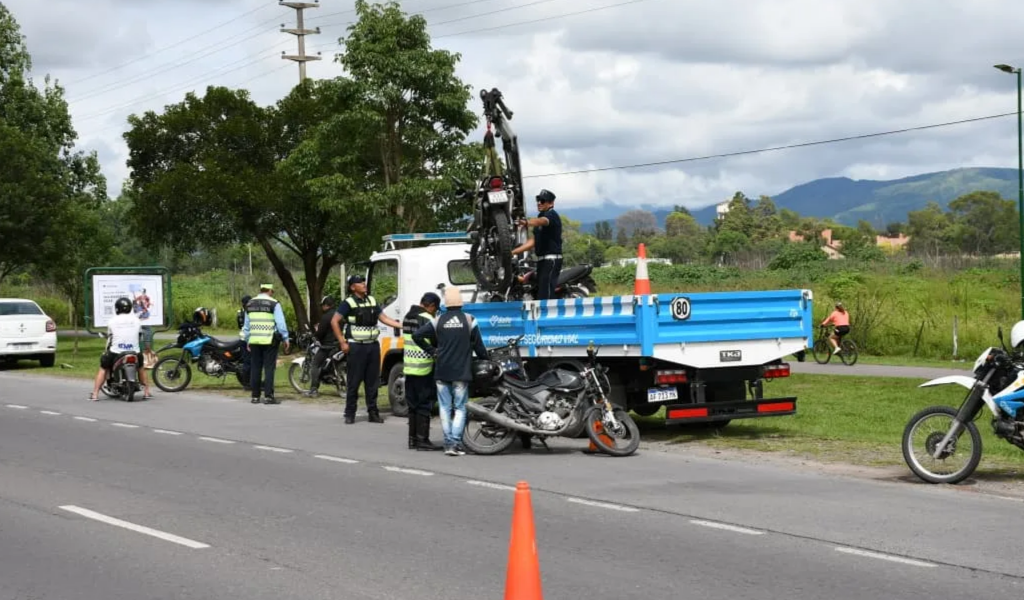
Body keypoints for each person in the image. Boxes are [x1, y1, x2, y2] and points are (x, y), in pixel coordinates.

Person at [412, 287, 489, 456]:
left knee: (445, 408)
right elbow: (479, 347)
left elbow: (416, 335)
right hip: (461, 371)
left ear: (446, 304)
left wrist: (432, 351)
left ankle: (448, 444)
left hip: (442, 370)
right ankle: (455, 443)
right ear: (461, 303)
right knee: (460, 408)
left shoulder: (438, 320)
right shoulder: (470, 320)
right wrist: (487, 359)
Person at [331, 274, 403, 424]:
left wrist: (402, 326)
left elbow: (384, 318)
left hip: (372, 345)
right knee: (354, 381)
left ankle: (373, 412)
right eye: (360, 282)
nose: (364, 284)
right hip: (356, 346)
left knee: (372, 382)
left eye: (363, 281)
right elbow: (334, 321)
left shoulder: (371, 300)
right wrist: (342, 342)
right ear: (353, 287)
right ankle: (350, 413)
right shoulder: (348, 303)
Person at [90, 297, 152, 401]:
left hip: (116, 352)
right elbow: (139, 336)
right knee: (141, 368)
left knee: (103, 368)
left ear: (117, 308)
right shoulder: (137, 320)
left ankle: (95, 394)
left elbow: (110, 337)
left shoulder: (112, 321)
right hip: (134, 352)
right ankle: (147, 392)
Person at [402, 292, 442, 451]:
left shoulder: (407, 317)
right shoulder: (428, 319)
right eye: (435, 309)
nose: (435, 312)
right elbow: (436, 342)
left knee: (412, 405)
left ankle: (412, 440)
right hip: (424, 367)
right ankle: (422, 440)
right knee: (425, 404)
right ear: (431, 305)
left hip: (409, 366)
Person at [242, 284, 290, 404]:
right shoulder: (274, 304)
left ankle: (255, 396)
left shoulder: (250, 303)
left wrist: (248, 340)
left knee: (255, 368)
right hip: (269, 340)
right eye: (272, 291)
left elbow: (246, 325)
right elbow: (280, 324)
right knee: (269, 368)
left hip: (254, 340)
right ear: (269, 291)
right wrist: (285, 338)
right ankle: (268, 396)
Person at [512, 189, 562, 300]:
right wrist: (513, 252)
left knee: (546, 294)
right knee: (539, 290)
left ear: (551, 203)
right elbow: (533, 241)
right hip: (542, 261)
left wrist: (526, 222)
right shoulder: (540, 216)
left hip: (551, 260)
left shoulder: (551, 215)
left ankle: (548, 315)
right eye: (538, 200)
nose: (539, 203)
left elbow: (543, 221)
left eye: (543, 201)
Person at [305, 295, 339, 399]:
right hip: (338, 344)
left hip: (327, 346)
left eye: (322, 306)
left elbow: (321, 333)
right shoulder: (339, 315)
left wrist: (316, 332)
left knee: (315, 364)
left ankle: (313, 389)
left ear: (326, 305)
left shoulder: (326, 316)